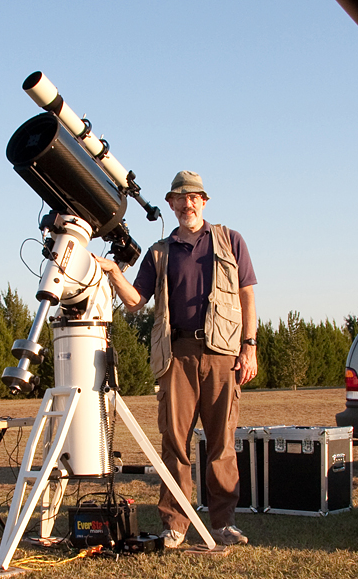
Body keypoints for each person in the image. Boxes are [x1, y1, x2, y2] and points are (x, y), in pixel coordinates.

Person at [96, 170, 258, 548]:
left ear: (204, 202)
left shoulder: (231, 241)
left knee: (222, 442)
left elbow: (248, 295)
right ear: (170, 204)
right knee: (175, 443)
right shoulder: (159, 252)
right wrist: (112, 271)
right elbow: (135, 303)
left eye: (194, 198)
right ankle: (175, 524)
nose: (187, 204)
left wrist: (249, 347)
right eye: (180, 199)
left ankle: (222, 524)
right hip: (177, 355)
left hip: (223, 353)